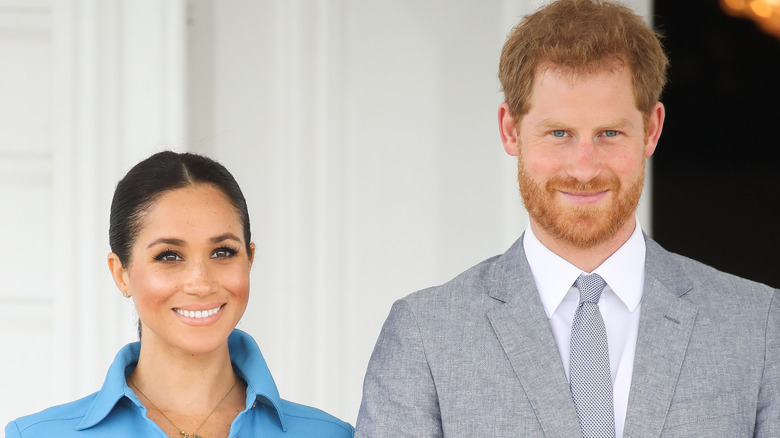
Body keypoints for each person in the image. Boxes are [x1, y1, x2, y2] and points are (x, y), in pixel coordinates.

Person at [355, 0, 779, 437]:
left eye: (609, 133)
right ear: (510, 130)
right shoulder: (426, 335)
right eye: (559, 133)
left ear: (651, 130)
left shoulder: (759, 328)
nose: (583, 168)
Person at [6, 151, 354, 438]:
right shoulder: (36, 435)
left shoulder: (333, 435)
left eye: (223, 252)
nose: (200, 283)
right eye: (169, 256)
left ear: (249, 259)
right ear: (121, 274)